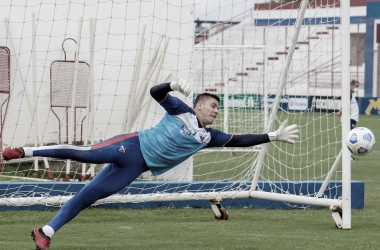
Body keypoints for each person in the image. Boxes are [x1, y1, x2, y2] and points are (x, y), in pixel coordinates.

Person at [3, 79, 299, 250]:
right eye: (212, 106)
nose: (216, 111)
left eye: (218, 109)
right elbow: (156, 93)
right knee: (84, 153)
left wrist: (272, 135)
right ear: (198, 105)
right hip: (130, 146)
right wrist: (171, 84)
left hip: (136, 167)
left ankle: (46, 233)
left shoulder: (209, 136)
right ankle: (23, 150)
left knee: (86, 197)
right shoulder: (180, 110)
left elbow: (240, 139)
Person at [336, 79, 360, 161]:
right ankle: (347, 155)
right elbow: (345, 104)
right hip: (349, 119)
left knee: (349, 137)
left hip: (352, 119)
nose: (356, 88)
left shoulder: (351, 93)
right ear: (352, 85)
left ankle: (347, 155)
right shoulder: (349, 93)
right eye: (356, 86)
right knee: (350, 138)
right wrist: (340, 112)